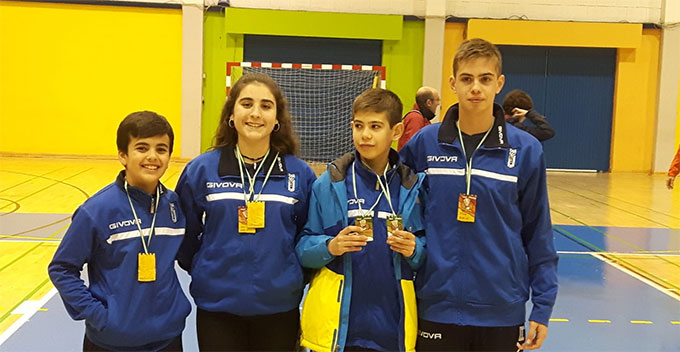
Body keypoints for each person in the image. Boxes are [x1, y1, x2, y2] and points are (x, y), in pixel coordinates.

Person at [400, 38, 558, 351]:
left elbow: (538, 231)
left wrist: (542, 304)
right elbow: (393, 202)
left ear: (499, 84)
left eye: (485, 79)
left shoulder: (526, 151)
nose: (476, 88)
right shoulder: (423, 144)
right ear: (452, 84)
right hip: (435, 304)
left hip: (501, 309)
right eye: (467, 79)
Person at [175, 73, 316, 351]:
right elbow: (184, 232)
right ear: (232, 113)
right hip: (218, 307)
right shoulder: (202, 170)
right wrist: (206, 267)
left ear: (277, 119)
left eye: (265, 106)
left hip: (279, 307)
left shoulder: (300, 174)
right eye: (247, 104)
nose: (255, 114)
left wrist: (289, 275)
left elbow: (308, 235)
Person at [296, 88, 426, 352]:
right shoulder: (329, 184)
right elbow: (303, 247)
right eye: (359, 125)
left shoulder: (413, 187)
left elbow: (428, 250)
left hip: (393, 329)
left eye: (375, 126)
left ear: (397, 131)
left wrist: (415, 250)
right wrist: (329, 246)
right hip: (338, 332)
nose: (365, 134)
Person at [48, 111, 191, 351]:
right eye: (142, 148)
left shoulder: (174, 205)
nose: (152, 157)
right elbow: (62, 268)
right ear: (123, 155)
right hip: (111, 342)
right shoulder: (96, 210)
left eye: (161, 149)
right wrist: (100, 316)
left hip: (168, 338)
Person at [397, 86, 441, 150]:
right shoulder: (416, 118)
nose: (438, 103)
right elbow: (414, 146)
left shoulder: (421, 118)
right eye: (437, 99)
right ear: (429, 103)